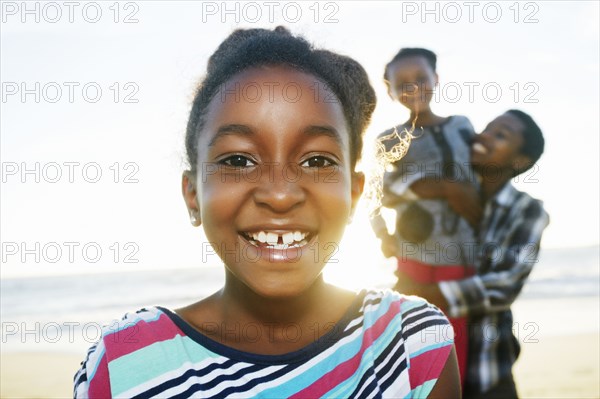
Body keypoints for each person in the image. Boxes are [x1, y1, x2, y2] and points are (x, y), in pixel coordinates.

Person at [73, 27, 460, 398]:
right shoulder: (125, 364)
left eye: (317, 160)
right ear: (193, 195)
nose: (279, 194)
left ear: (355, 195)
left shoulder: (412, 344)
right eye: (239, 159)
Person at [395, 110, 550, 398]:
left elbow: (504, 286)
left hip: (487, 369)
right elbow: (388, 187)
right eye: (487, 127)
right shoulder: (450, 190)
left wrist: (421, 294)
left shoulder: (528, 211)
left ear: (519, 161)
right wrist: (441, 188)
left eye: (500, 135)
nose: (484, 136)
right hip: (429, 360)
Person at [370, 47, 479, 386]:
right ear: (389, 91)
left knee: (456, 336)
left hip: (459, 252)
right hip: (412, 253)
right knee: (417, 330)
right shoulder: (387, 140)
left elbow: (477, 181)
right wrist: (383, 237)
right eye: (401, 83)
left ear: (436, 79)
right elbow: (373, 197)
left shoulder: (462, 127)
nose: (413, 88)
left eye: (421, 79)